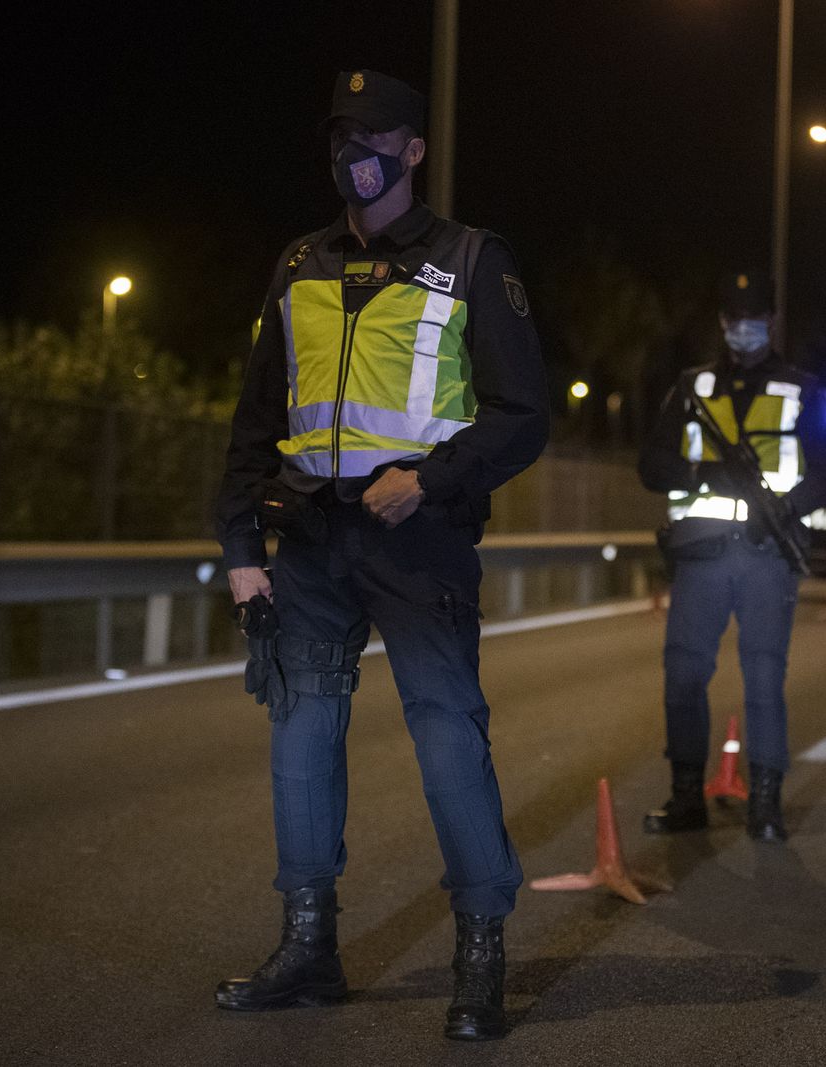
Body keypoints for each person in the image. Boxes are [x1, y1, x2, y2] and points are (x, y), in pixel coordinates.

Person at [210, 69, 548, 1042]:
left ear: (412, 150)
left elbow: (525, 416)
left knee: (447, 738)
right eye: (339, 139)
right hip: (309, 541)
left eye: (372, 138)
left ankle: (479, 951)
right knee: (300, 740)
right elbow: (255, 415)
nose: (351, 156)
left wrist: (432, 481)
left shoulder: (473, 260)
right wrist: (241, 544)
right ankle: (309, 947)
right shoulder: (300, 262)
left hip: (419, 543)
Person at [636, 270, 826, 842]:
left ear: (770, 324)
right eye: (734, 321)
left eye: (755, 321)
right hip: (701, 552)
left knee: (764, 677)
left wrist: (788, 507)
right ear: (723, 324)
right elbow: (651, 466)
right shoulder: (693, 386)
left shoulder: (802, 389)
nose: (744, 330)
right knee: (684, 674)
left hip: (768, 553)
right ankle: (685, 796)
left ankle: (765, 804)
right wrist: (704, 472)